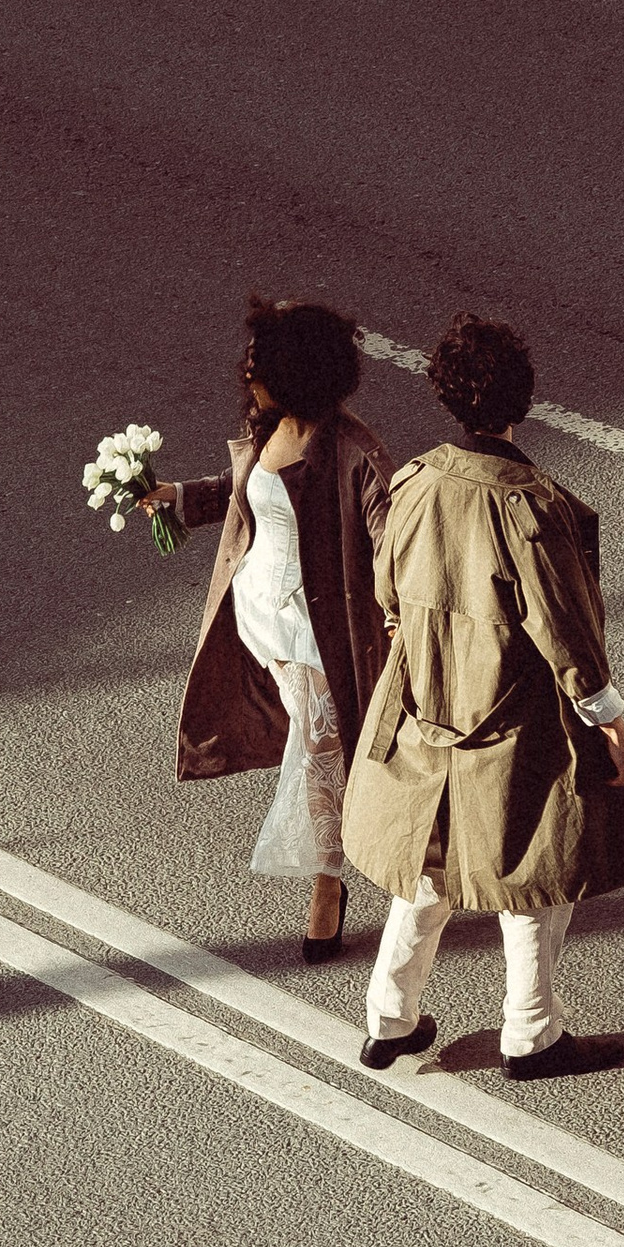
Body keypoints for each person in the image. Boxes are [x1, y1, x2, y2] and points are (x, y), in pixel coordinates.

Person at [343, 312, 624, 1082]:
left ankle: (389, 1019)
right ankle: (532, 1032)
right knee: (532, 869)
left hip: (422, 701)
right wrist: (609, 722)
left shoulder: (414, 481)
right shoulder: (527, 503)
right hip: (511, 713)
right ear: (524, 398)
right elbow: (566, 631)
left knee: (429, 862)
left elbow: (386, 592)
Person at [145, 299, 391, 961]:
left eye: (259, 366)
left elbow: (390, 540)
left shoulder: (355, 455)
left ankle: (327, 886)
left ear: (299, 372)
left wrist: (402, 606)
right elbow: (243, 489)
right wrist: (175, 496)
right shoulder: (271, 426)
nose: (246, 376)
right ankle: (361, 847)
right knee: (321, 746)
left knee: (318, 750)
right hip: (260, 614)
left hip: (321, 632)